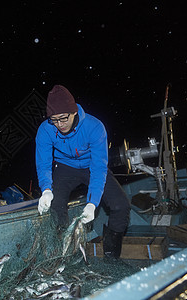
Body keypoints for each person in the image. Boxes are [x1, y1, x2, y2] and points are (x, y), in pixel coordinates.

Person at [35, 84, 131, 259]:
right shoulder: (45, 130)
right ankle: (65, 256)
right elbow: (44, 163)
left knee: (121, 205)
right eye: (54, 120)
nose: (59, 124)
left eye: (63, 118)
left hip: (91, 166)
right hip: (64, 168)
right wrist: (46, 190)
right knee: (55, 208)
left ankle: (111, 256)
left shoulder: (95, 127)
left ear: (74, 112)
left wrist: (92, 203)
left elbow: (99, 167)